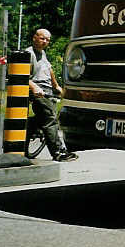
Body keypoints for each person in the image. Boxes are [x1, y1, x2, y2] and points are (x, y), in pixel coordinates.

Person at [27, 29, 78, 162]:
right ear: (34, 38)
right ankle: (58, 152)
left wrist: (56, 87)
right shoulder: (28, 53)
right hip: (37, 91)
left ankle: (20, 143)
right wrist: (34, 87)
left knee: (39, 120)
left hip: (47, 90)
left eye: (48, 40)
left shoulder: (42, 53)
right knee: (50, 118)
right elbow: (20, 76)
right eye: (42, 38)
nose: (45, 42)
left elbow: (49, 70)